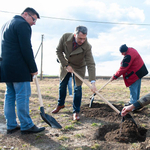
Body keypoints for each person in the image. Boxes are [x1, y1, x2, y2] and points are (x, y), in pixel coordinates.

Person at [0, 7, 45, 134]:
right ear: (25, 14)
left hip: (6, 66)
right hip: (19, 68)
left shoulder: (6, 24)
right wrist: (33, 68)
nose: (34, 23)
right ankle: (26, 125)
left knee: (10, 96)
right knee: (22, 96)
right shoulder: (22, 24)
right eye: (34, 19)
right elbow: (26, 48)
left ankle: (11, 125)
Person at [52, 26, 97, 121]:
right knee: (62, 84)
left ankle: (76, 111)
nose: (82, 41)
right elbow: (58, 51)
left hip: (79, 67)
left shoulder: (87, 47)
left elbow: (91, 63)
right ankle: (60, 104)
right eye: (80, 38)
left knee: (77, 88)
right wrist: (65, 65)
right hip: (66, 64)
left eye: (84, 38)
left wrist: (93, 82)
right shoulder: (65, 37)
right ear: (75, 35)